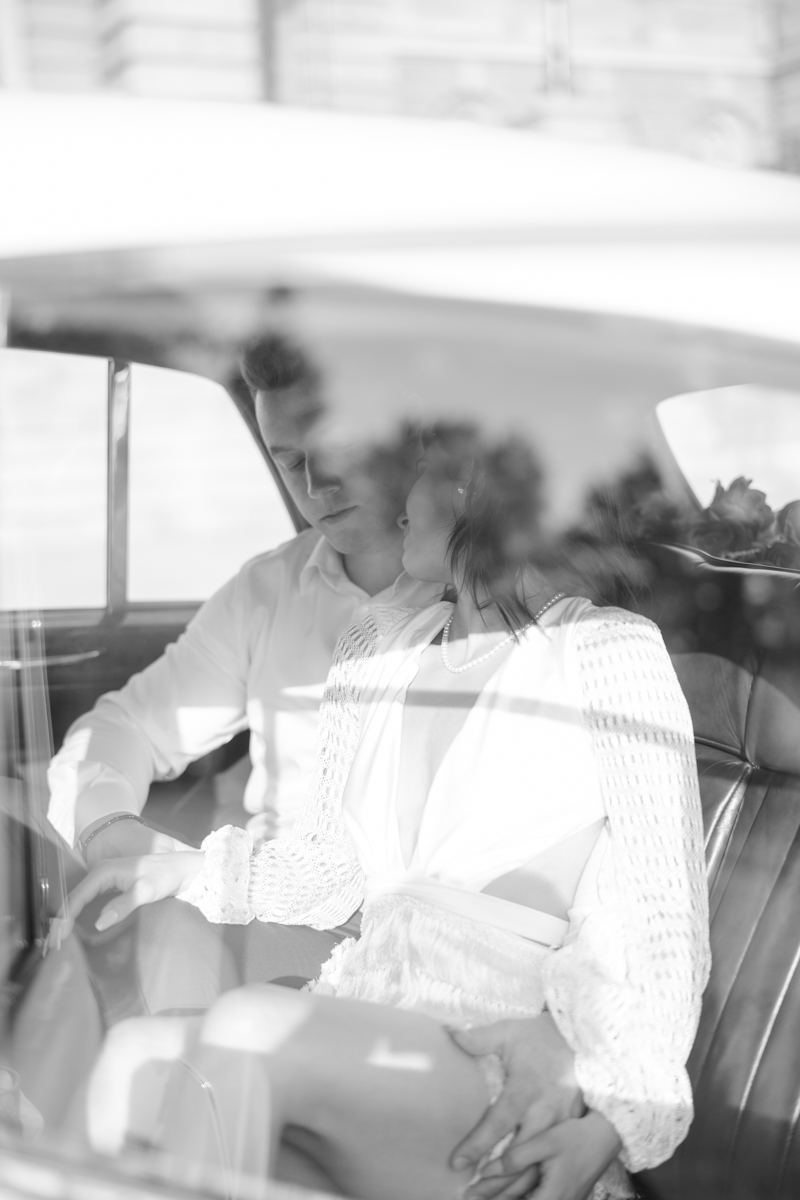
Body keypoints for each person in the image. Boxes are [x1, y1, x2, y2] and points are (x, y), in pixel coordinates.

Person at [62, 426, 711, 1200]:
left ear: (473, 487)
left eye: (421, 476)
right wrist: (194, 869)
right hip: (368, 1005)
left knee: (248, 1029)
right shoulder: (380, 646)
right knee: (135, 1055)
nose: (400, 502)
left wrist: (610, 1120)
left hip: (494, 1049)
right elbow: (337, 870)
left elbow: (665, 925)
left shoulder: (607, 651)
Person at [47, 332, 439, 998]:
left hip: (432, 945)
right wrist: (112, 830)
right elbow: (128, 727)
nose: (315, 485)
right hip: (269, 917)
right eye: (289, 461)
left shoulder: (495, 605)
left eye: (336, 448)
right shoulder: (266, 592)